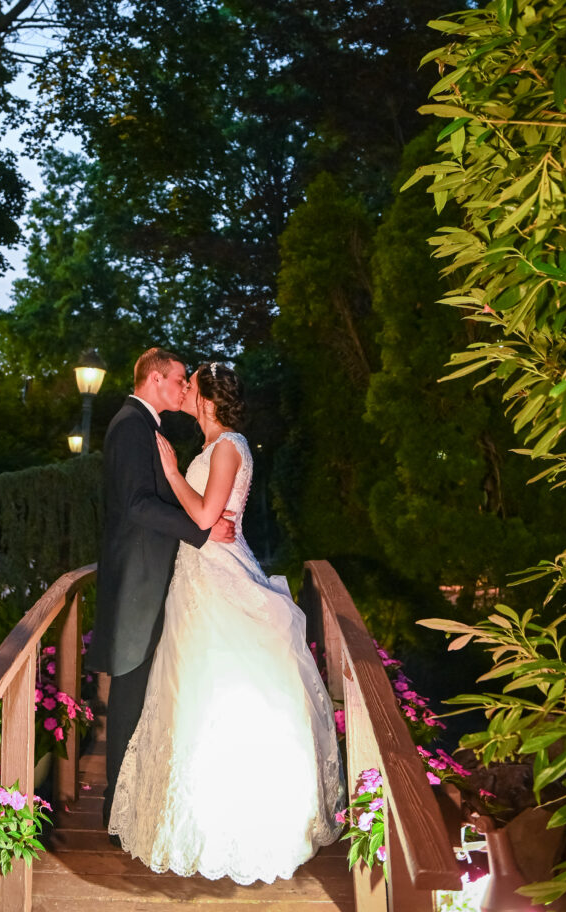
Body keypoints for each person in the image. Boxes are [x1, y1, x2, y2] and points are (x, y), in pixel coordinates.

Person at [108, 361, 344, 885]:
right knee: (191, 689)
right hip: (196, 576)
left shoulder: (229, 445)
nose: (184, 392)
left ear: (208, 398)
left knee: (223, 684)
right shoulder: (209, 446)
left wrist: (170, 475)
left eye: (190, 387)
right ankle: (195, 814)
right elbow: (202, 518)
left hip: (218, 577)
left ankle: (245, 822)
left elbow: (204, 517)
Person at [86, 348, 236, 831]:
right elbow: (135, 506)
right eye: (177, 380)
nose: (183, 389)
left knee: (147, 693)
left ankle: (136, 803)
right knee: (130, 692)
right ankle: (117, 812)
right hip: (138, 582)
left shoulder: (147, 425)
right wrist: (204, 531)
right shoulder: (131, 426)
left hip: (156, 579)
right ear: (155, 378)